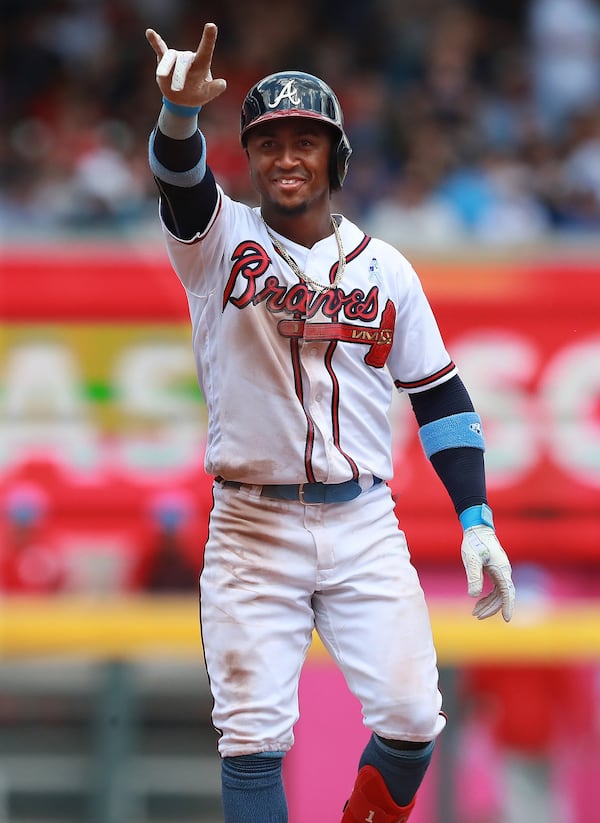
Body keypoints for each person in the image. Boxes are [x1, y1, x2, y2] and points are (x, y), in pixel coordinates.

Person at [145, 23, 516, 823]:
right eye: (268, 141)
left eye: (304, 141)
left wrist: (476, 517)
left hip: (362, 520)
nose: (286, 156)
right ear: (248, 157)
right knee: (252, 740)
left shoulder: (388, 270)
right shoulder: (218, 242)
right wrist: (178, 114)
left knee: (416, 718)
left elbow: (440, 394)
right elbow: (181, 180)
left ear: (336, 156)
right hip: (251, 523)